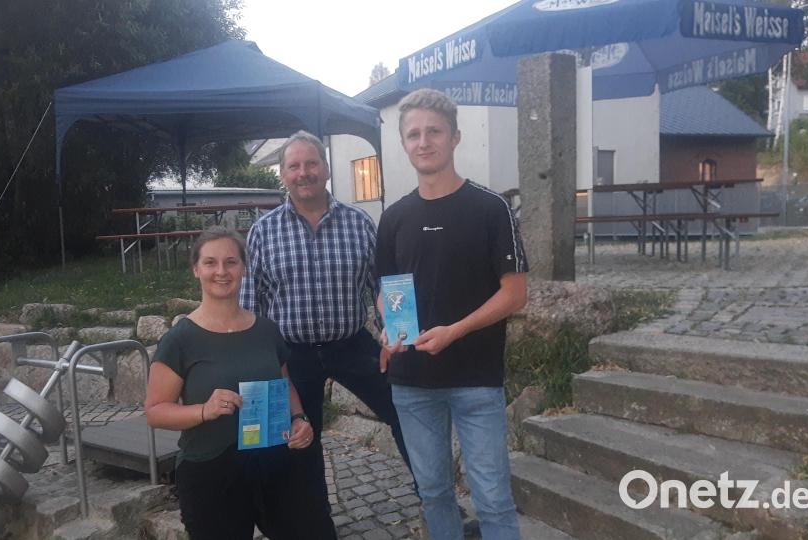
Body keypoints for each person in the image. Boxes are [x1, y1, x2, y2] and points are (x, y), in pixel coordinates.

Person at [376, 88, 529, 540]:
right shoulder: (394, 218)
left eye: (434, 132)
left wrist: (455, 331)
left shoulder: (491, 208)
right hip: (412, 383)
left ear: (455, 137)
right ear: (404, 143)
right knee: (434, 493)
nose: (424, 142)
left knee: (494, 499)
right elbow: (388, 291)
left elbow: (515, 294)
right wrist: (390, 325)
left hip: (476, 380)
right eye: (414, 134)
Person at [239, 130, 413, 517]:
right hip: (291, 353)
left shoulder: (360, 223)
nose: (304, 172)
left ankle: (434, 499)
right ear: (282, 174)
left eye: (311, 163)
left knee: (406, 410)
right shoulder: (263, 233)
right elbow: (250, 306)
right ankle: (312, 521)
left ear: (327, 169)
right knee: (299, 439)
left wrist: (398, 334)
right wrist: (256, 366)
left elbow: (386, 285)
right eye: (294, 165)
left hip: (352, 344)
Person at [145, 226, 333, 540]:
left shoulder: (267, 331)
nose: (221, 271)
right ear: (196, 270)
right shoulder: (181, 339)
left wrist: (299, 419)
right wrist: (204, 410)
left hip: (275, 462)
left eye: (231, 262)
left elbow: (284, 384)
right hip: (211, 471)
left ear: (243, 269)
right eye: (210, 262)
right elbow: (154, 411)